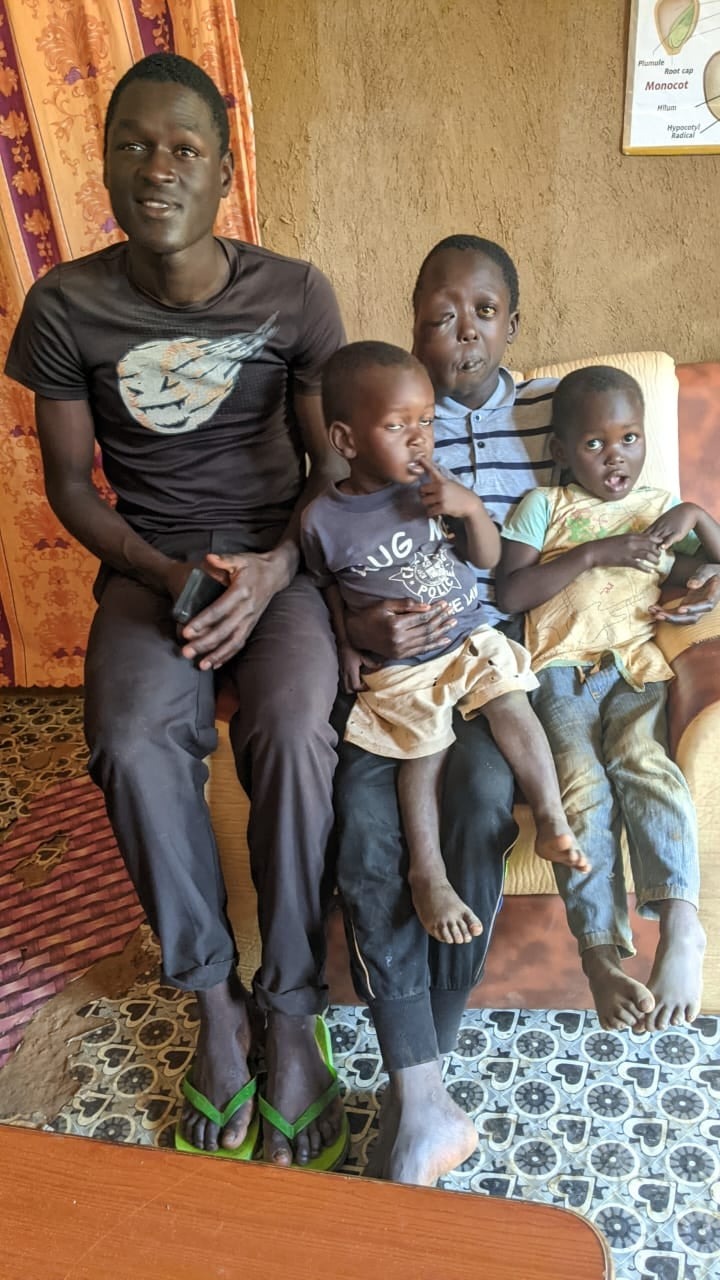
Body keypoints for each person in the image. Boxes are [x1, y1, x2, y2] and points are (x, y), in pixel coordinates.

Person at [5, 52, 349, 1170]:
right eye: (134, 146)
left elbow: (333, 469)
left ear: (223, 173)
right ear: (105, 166)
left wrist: (271, 569)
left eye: (184, 148)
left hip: (279, 563)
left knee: (294, 727)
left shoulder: (294, 294)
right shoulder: (65, 305)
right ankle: (214, 1004)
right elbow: (71, 486)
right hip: (149, 568)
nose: (158, 168)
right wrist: (166, 574)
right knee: (129, 738)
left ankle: (290, 1005)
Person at [331, 235, 720, 1186]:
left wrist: (702, 563)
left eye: (483, 313)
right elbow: (332, 539)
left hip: (507, 659)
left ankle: (428, 1073)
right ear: (412, 326)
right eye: (439, 316)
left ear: (514, 323)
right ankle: (424, 1090)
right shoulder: (384, 417)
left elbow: (644, 514)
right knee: (371, 822)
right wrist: (353, 626)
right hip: (421, 665)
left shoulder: (562, 410)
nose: (462, 332)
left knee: (481, 801)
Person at [303, 341, 587, 946]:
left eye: (427, 421)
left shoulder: (437, 486)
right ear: (346, 440)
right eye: (397, 426)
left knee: (511, 699)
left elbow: (486, 558)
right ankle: (427, 872)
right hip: (403, 664)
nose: (419, 439)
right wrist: (347, 644)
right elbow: (326, 584)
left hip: (467, 633)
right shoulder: (323, 519)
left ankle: (550, 816)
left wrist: (471, 509)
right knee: (423, 748)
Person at [497, 365, 717, 1033]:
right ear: (562, 451)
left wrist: (697, 518)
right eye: (594, 443)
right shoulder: (544, 506)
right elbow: (510, 592)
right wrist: (595, 553)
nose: (615, 456)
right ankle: (599, 956)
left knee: (643, 763)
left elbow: (706, 565)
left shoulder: (657, 511)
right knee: (581, 789)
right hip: (560, 674)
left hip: (636, 669)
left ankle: (681, 925)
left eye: (630, 438)